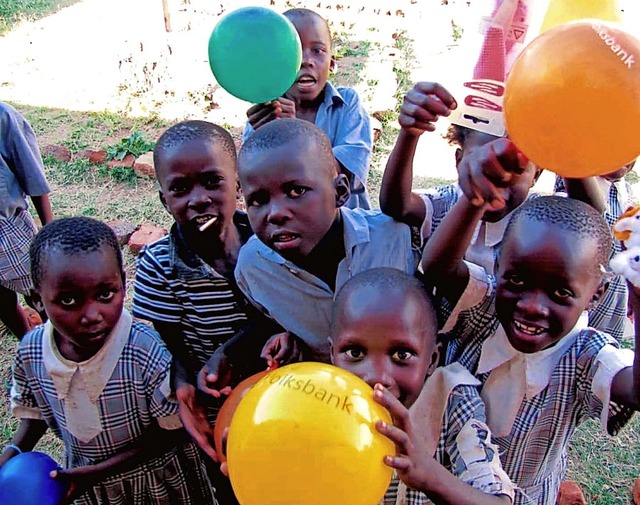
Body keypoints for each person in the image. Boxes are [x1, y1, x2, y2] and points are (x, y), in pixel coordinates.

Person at [420, 139, 639, 504]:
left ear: (597, 294)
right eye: (516, 282)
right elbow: (440, 267)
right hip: (442, 481)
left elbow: (634, 390)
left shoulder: (586, 357)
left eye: (560, 293)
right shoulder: (486, 306)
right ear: (498, 266)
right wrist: (473, 200)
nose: (533, 306)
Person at [1, 217, 217, 505]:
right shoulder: (31, 353)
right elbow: (34, 418)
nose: (91, 315)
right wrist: (12, 453)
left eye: (104, 294)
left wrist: (98, 472)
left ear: (123, 285)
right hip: (86, 486)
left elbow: (174, 433)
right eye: (68, 301)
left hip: (158, 484)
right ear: (38, 300)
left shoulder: (143, 350)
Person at [131, 120, 281, 504]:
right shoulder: (159, 265)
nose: (198, 199)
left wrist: (231, 351)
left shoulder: (271, 242)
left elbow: (290, 314)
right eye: (180, 188)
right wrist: (190, 380)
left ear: (238, 185)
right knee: (235, 487)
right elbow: (174, 348)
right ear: (165, 200)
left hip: (284, 393)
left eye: (213, 182)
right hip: (218, 412)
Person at [229, 118, 421, 367]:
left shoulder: (395, 240)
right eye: (258, 200)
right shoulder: (253, 267)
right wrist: (283, 338)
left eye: (296, 191)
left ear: (340, 192)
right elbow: (273, 319)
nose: (275, 213)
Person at [330, 267, 514, 505]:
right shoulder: (321, 400)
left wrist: (428, 474)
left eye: (401, 354)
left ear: (432, 359)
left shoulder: (451, 399)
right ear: (333, 355)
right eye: (355, 352)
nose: (377, 377)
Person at [242, 8, 373, 210]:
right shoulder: (265, 116)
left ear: (332, 62)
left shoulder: (347, 105)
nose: (305, 61)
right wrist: (268, 136)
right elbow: (258, 185)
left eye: (318, 50)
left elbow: (342, 175)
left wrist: (294, 134)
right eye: (292, 51)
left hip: (347, 231)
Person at [555, 161, 637, 341]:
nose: (627, 159)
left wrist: (631, 289)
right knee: (571, 343)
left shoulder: (624, 191)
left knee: (602, 341)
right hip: (582, 288)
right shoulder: (577, 183)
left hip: (614, 290)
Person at [0, 101, 53, 339]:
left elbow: (33, 177)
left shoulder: (4, 117)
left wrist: (49, 230)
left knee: (41, 290)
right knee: (2, 301)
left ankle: (60, 346)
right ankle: (28, 344)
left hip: (10, 228)